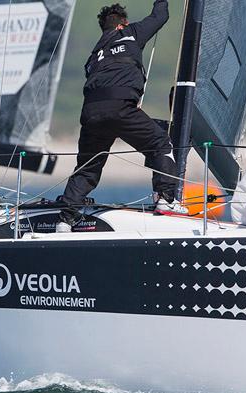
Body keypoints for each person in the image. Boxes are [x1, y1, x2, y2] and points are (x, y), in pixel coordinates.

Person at [56, 1, 188, 233]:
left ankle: (65, 220)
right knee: (160, 143)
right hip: (120, 108)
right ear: (122, 24)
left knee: (87, 167)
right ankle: (166, 199)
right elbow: (161, 15)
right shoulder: (130, 33)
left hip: (90, 114)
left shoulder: (94, 54)